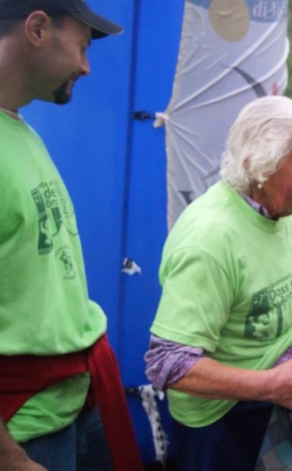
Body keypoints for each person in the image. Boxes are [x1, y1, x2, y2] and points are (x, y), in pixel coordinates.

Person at [145, 95, 292, 471]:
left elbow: (286, 263)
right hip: (224, 422)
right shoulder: (208, 240)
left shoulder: (277, 206)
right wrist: (275, 386)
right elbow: (168, 363)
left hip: (278, 403)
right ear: (258, 165)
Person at [0, 1, 142, 470]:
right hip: (24, 429)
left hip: (75, 401)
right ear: (37, 28)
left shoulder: (20, 130)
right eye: (81, 47)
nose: (86, 66)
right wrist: (10, 458)